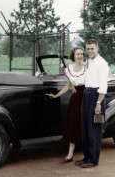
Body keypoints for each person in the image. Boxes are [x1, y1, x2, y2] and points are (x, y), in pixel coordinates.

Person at [46, 47, 86, 164]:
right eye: (77, 54)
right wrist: (56, 95)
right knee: (73, 124)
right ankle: (70, 155)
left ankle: (87, 154)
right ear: (73, 56)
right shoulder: (69, 69)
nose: (80, 56)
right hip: (75, 98)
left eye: (81, 54)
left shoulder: (88, 66)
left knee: (86, 124)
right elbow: (68, 86)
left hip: (87, 97)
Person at [75, 39, 109, 168]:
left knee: (94, 129)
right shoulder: (89, 62)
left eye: (92, 49)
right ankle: (86, 157)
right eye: (88, 49)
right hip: (87, 94)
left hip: (97, 97)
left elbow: (103, 85)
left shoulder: (102, 63)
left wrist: (98, 103)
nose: (89, 51)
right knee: (85, 128)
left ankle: (93, 160)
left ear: (97, 48)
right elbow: (84, 78)